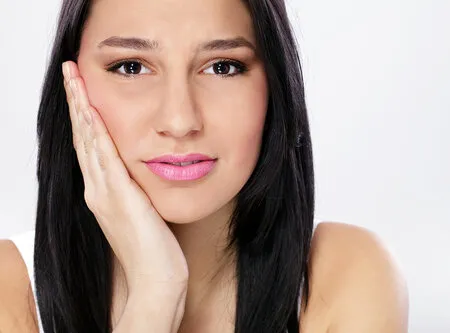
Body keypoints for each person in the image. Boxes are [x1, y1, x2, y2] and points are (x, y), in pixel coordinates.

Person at [0, 0, 409, 332]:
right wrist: (154, 292)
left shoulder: (345, 277)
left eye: (222, 67)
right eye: (131, 66)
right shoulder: (10, 290)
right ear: (70, 84)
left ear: (274, 87)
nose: (180, 121)